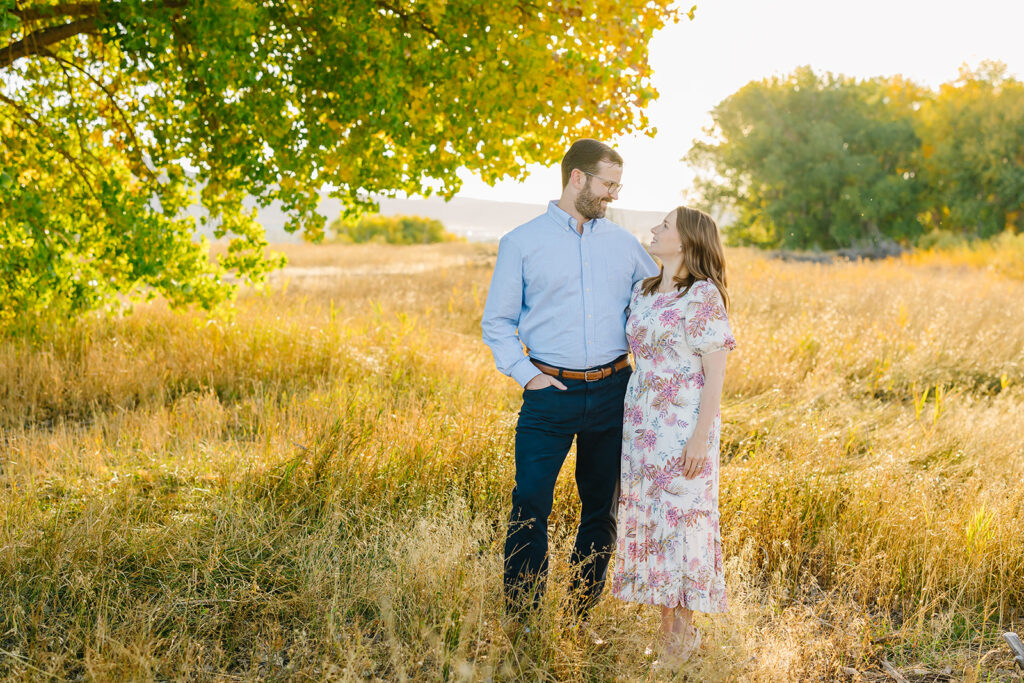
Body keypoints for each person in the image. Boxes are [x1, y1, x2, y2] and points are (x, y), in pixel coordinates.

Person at [481, 139, 658, 625]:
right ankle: (524, 618)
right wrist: (527, 375)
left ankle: (580, 612)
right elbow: (496, 323)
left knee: (601, 510)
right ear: (577, 178)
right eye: (608, 185)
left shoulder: (623, 243)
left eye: (618, 186)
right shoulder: (521, 242)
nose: (613, 196)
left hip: (613, 390)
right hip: (548, 394)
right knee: (530, 504)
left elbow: (661, 297)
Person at [610, 206, 736, 663]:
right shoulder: (644, 291)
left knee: (680, 525)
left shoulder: (702, 296)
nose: (654, 230)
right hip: (642, 425)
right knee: (653, 524)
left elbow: (715, 376)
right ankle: (672, 635)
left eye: (664, 226)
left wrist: (700, 438)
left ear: (684, 241)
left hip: (683, 427)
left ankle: (680, 639)